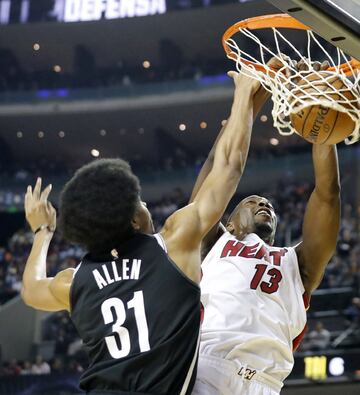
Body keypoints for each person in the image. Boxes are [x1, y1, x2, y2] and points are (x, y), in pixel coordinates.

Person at [21, 70, 269, 395]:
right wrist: (242, 94)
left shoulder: (74, 281)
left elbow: (30, 290)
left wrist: (42, 231)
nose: (146, 205)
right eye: (140, 202)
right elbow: (228, 167)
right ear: (135, 221)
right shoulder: (173, 246)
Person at [190, 66, 341, 394]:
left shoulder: (296, 263)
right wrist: (246, 100)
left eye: (268, 204)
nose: (264, 204)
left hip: (265, 382)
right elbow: (220, 168)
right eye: (252, 201)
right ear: (228, 222)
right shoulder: (212, 242)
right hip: (207, 365)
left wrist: (322, 132)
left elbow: (327, 196)